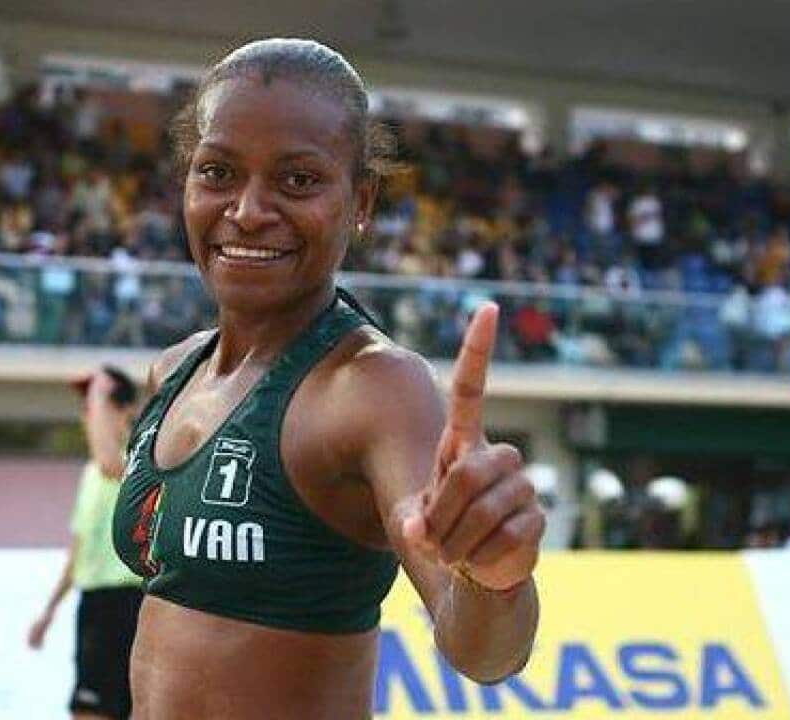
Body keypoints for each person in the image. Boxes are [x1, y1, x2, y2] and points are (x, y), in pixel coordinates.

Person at [110, 39, 544, 718]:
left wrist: (495, 578)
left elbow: (485, 652)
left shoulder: (374, 387)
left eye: (298, 180)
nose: (249, 210)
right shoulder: (173, 368)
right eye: (218, 171)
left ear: (361, 199)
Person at [28, 366, 142, 720]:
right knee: (89, 709)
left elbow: (111, 461)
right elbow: (78, 551)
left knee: (102, 709)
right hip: (92, 604)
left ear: (124, 411)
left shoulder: (138, 459)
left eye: (96, 404)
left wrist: (99, 392)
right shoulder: (90, 473)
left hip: (127, 603)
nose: (87, 414)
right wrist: (49, 610)